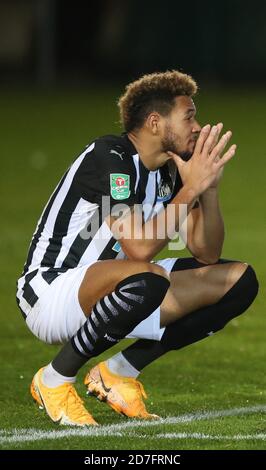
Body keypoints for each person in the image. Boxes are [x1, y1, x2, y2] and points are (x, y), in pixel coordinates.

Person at [16, 71, 259, 426]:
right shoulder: (109, 157)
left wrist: (207, 190)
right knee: (149, 277)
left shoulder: (168, 172)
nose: (197, 126)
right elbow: (139, 247)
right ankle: (54, 379)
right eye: (189, 116)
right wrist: (189, 190)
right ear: (155, 122)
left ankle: (118, 373)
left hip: (123, 289)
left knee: (238, 283)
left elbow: (206, 253)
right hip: (51, 291)